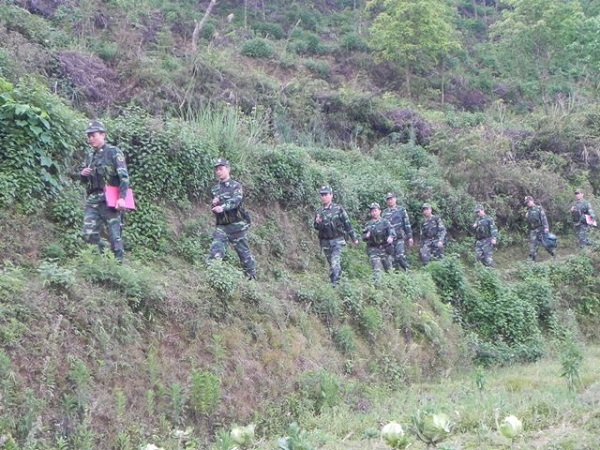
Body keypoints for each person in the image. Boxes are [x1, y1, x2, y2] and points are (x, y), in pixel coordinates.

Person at [80, 120, 129, 263]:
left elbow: (124, 177)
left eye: (93, 135)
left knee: (114, 236)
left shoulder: (114, 152)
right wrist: (83, 174)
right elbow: (84, 180)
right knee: (88, 233)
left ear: (103, 135)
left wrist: (122, 197)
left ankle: (118, 267)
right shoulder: (90, 156)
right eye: (88, 136)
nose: (90, 139)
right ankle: (100, 261)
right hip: (93, 199)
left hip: (110, 199)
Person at [209, 158, 257, 280]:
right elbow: (215, 206)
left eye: (221, 169)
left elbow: (236, 201)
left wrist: (223, 207)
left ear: (228, 169)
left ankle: (251, 279)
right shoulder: (215, 189)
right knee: (216, 250)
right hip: (222, 226)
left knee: (244, 256)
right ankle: (214, 278)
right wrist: (214, 204)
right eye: (216, 170)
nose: (218, 172)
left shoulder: (236, 186)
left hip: (237, 227)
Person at [313, 186, 359, 285]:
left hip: (337, 240)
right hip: (325, 242)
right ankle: (337, 281)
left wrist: (354, 238)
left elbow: (347, 224)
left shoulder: (338, 209)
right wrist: (317, 222)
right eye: (322, 195)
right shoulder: (319, 211)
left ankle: (335, 284)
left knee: (335, 263)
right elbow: (316, 227)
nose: (324, 197)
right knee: (332, 265)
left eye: (326, 195)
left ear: (331, 195)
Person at [362, 203, 396, 281]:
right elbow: (363, 237)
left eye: (375, 211)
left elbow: (392, 231)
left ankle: (392, 287)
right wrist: (366, 235)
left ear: (379, 211)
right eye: (372, 211)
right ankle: (378, 287)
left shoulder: (385, 222)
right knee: (376, 270)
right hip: (373, 249)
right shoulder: (368, 224)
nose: (374, 213)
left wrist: (391, 237)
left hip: (385, 248)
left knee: (389, 270)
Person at [382, 192, 413, 271]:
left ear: (395, 199)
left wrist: (410, 237)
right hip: (389, 240)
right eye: (388, 199)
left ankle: (409, 271)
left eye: (391, 199)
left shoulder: (401, 210)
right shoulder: (384, 213)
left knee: (400, 256)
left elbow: (407, 224)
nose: (390, 201)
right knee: (392, 260)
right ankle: (397, 278)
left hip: (399, 237)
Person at [524, 195, 555, 261]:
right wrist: (526, 217)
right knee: (533, 245)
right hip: (533, 230)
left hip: (541, 229)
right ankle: (531, 260)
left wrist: (546, 227)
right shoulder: (528, 211)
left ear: (532, 201)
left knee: (546, 244)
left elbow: (544, 218)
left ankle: (553, 253)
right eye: (527, 203)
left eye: (528, 202)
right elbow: (529, 222)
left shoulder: (539, 208)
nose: (528, 204)